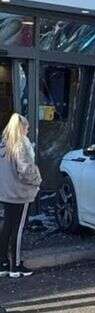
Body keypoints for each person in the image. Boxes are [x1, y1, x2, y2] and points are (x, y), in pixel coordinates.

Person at [0, 113, 41, 278]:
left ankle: (2, 263)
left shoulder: (3, 144)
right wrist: (37, 180)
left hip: (6, 192)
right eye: (27, 126)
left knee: (6, 228)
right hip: (20, 193)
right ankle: (15, 266)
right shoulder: (20, 145)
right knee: (17, 230)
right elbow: (26, 170)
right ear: (21, 127)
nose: (28, 129)